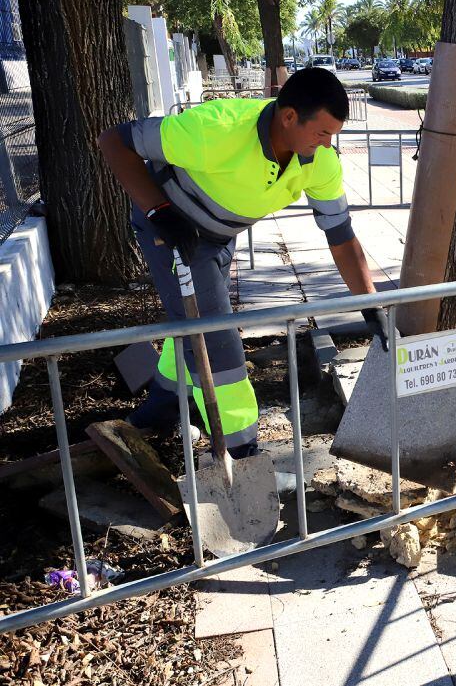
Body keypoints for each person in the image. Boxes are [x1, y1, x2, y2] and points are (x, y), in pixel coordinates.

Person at [98, 67, 389, 458]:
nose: (326, 145)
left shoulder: (318, 162)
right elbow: (114, 141)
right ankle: (240, 449)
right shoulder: (217, 129)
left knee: (194, 326)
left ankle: (162, 407)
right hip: (172, 231)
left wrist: (369, 304)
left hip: (219, 235)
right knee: (218, 342)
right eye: (321, 133)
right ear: (288, 117)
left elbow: (341, 236)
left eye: (332, 136)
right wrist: (157, 210)